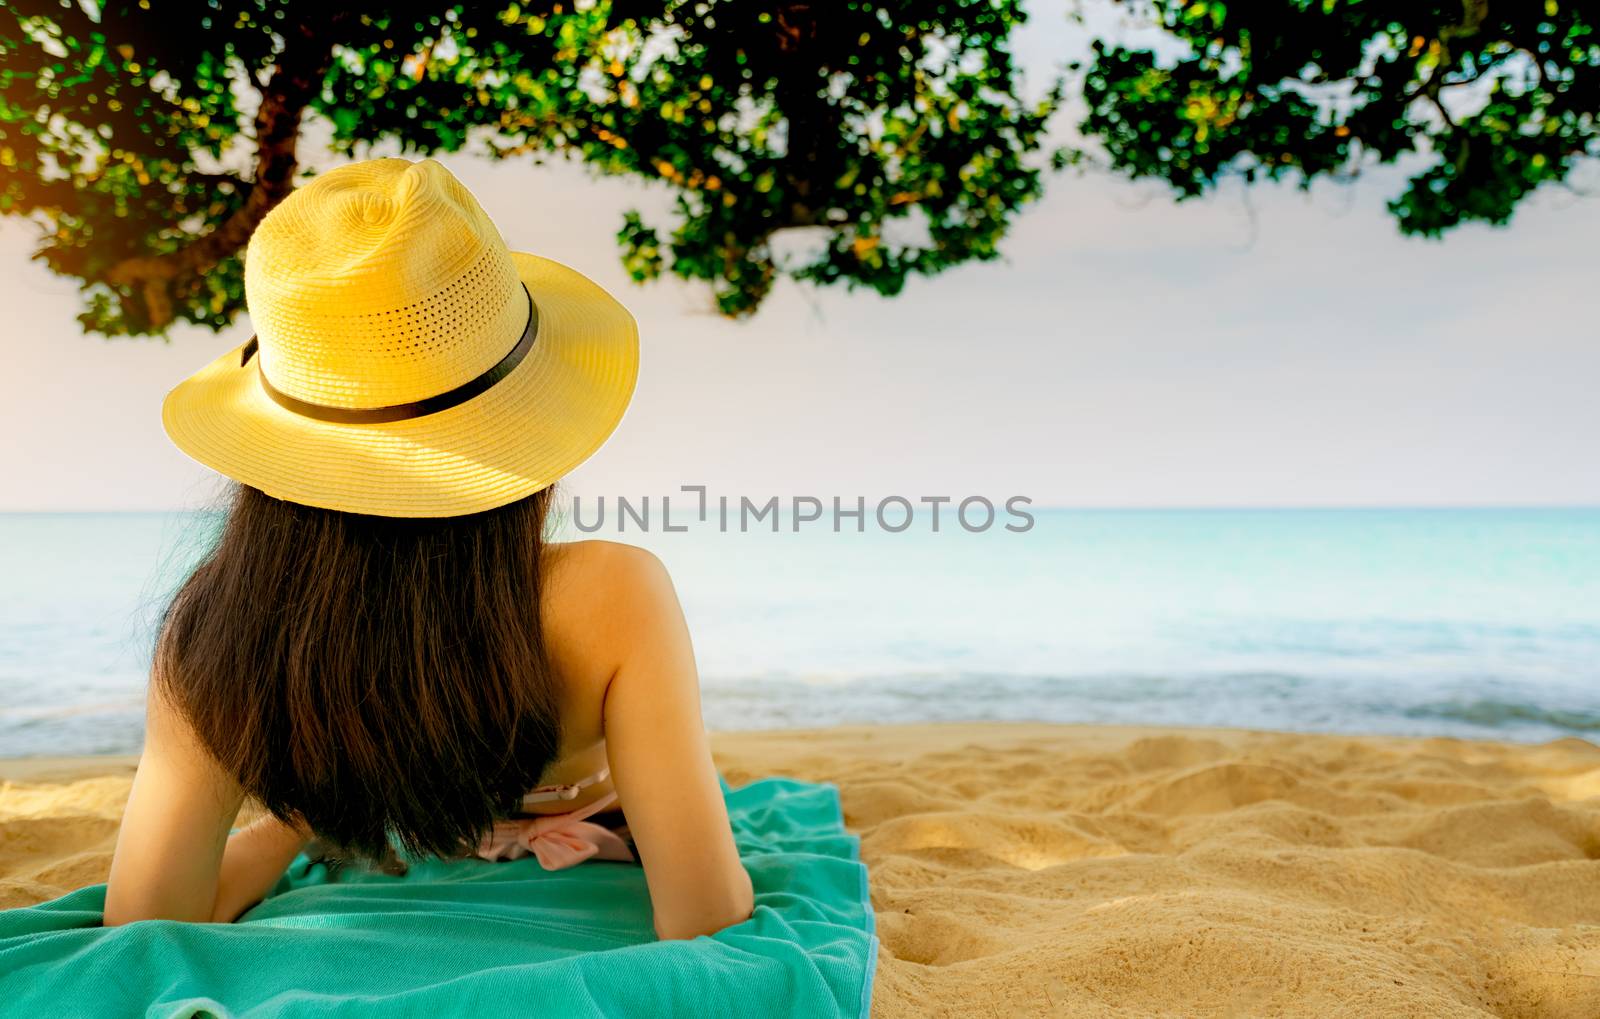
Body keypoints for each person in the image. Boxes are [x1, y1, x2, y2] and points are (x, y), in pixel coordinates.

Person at [103, 157, 753, 941]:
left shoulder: (218, 628)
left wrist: (304, 815)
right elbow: (707, 915)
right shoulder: (612, 592)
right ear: (526, 419)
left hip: (374, 815)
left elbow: (145, 924)